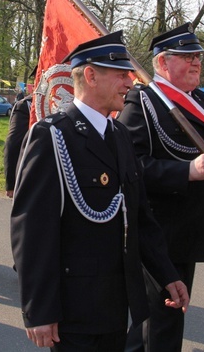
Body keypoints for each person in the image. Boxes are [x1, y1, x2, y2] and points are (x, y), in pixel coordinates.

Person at [11, 32, 189, 351]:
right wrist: (38, 310)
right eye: (121, 74)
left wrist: (168, 274)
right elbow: (32, 230)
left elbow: (139, 217)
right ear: (91, 75)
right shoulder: (51, 136)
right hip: (73, 306)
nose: (130, 83)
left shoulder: (119, 134)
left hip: (115, 303)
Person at [118, 24, 204, 352]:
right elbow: (131, 168)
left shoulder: (201, 101)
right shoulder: (142, 102)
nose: (196, 61)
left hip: (190, 230)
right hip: (159, 230)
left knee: (160, 323)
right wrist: (185, 171)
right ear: (162, 64)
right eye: (186, 56)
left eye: (197, 55)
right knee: (161, 323)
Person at [4, 91, 31, 199]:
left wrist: (11, 183)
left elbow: (13, 143)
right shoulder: (27, 105)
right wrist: (11, 182)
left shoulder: (26, 104)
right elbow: (14, 143)